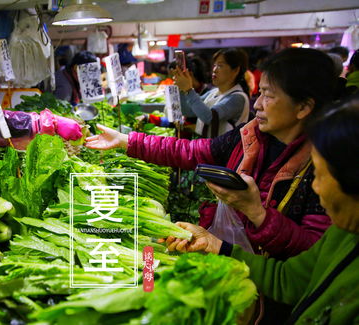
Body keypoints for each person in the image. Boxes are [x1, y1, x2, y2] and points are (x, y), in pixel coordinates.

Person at [85, 48, 336, 260]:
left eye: (268, 95)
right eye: (259, 92)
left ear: (303, 107)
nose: (257, 104)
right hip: (233, 260)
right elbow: (194, 151)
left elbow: (312, 254)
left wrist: (256, 212)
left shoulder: (325, 166)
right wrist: (127, 141)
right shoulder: (250, 135)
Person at [161, 95, 359, 324]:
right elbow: (288, 279)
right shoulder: (342, 235)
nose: (315, 185)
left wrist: (255, 211)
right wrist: (215, 245)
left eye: (320, 175)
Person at [173, 47, 251, 137]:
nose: (214, 70)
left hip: (225, 151)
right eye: (214, 65)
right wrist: (181, 88)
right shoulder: (213, 93)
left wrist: (188, 90)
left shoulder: (238, 98)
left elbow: (209, 117)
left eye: (220, 65)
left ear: (236, 70)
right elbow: (188, 110)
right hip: (206, 147)